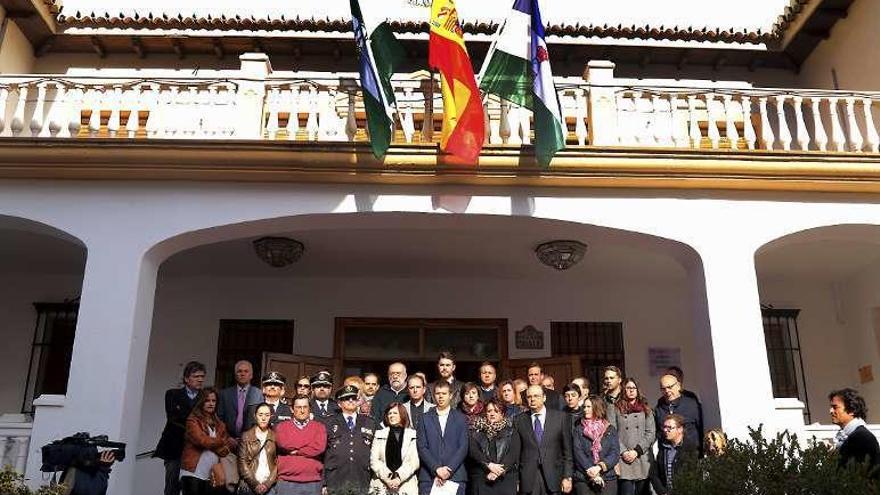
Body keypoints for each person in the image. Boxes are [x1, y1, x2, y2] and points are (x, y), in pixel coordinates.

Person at [155, 360, 206, 495]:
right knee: (172, 486)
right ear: (186, 379)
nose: (200, 380)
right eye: (196, 377)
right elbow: (173, 418)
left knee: (193, 487)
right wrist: (195, 427)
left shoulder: (206, 397)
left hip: (196, 450)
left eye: (202, 377)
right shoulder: (172, 394)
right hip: (174, 448)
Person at [516, 384, 573, 495]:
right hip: (529, 478)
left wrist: (567, 476)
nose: (532, 399)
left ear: (544, 397)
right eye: (529, 397)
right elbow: (517, 453)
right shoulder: (519, 420)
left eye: (536, 396)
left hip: (554, 476)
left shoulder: (560, 418)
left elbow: (567, 451)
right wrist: (517, 480)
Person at [323, 385, 378, 494]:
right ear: (339, 403)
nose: (351, 400)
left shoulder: (369, 422)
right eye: (347, 398)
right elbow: (323, 453)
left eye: (354, 398)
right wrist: (324, 482)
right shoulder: (329, 422)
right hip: (336, 478)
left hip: (361, 478)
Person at [417, 380, 469, 495]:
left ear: (450, 395)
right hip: (429, 477)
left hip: (455, 476)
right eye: (437, 393)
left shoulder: (461, 418)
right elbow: (422, 447)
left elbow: (463, 447)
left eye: (444, 393)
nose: (440, 396)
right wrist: (436, 469)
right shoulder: (424, 418)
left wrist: (449, 469)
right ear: (434, 395)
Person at [180, 387, 234, 495]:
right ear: (201, 402)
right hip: (193, 473)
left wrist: (222, 442)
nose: (211, 403)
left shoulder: (220, 424)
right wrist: (222, 441)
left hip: (212, 475)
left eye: (213, 401)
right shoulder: (192, 420)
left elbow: (226, 449)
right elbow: (202, 440)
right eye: (207, 400)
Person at [275, 395, 327, 495]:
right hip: (287, 482)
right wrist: (309, 445)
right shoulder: (282, 427)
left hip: (313, 482)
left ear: (309, 408)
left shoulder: (319, 427)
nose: (302, 410)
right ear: (292, 409)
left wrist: (297, 451)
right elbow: (284, 444)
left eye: (305, 407)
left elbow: (319, 447)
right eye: (298, 407)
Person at [468, 398, 521, 495]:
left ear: (503, 413)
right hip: (482, 478)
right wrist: (489, 465)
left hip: (505, 480)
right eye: (489, 411)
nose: (492, 414)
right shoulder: (475, 431)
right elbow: (473, 452)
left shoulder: (512, 432)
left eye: (496, 411)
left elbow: (513, 453)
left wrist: (497, 471)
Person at [572, 397, 619, 495]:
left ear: (597, 407)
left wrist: (599, 467)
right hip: (584, 478)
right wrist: (592, 472)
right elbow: (578, 452)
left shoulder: (610, 429)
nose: (585, 409)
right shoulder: (578, 429)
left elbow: (614, 453)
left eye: (589, 407)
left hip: (607, 477)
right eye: (584, 407)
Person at [615, 378, 654, 495]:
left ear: (637, 390)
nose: (631, 391)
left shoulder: (646, 408)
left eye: (633, 388)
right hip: (623, 459)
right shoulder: (616, 408)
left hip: (642, 457)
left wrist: (636, 451)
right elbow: (612, 433)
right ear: (623, 390)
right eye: (628, 388)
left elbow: (651, 433)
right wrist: (624, 452)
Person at [371, 402, 420, 495]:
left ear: (402, 414)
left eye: (395, 413)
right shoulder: (379, 434)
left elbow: (414, 462)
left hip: (406, 484)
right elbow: (374, 460)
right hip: (382, 484)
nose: (391, 416)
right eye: (389, 413)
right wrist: (387, 477)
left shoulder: (412, 435)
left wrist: (399, 478)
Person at [829, 388, 880, 472]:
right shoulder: (852, 435)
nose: (831, 411)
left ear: (851, 410)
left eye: (835, 407)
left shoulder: (861, 437)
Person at [654, 373, 702, 455]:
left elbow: (700, 428)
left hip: (690, 454)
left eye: (670, 387)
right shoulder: (659, 407)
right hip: (667, 454)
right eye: (663, 388)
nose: (667, 391)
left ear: (678, 385)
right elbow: (657, 432)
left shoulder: (691, 404)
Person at [648, 414, 696, 495]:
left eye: (669, 428)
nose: (665, 430)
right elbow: (654, 473)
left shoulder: (690, 448)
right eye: (664, 427)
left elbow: (693, 475)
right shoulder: (663, 448)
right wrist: (662, 492)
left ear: (680, 429)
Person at [238, 403, 278, 495]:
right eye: (260, 415)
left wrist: (267, 484)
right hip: (249, 485)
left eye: (267, 415)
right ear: (255, 416)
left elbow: (277, 463)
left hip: (269, 486)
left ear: (271, 416)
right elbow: (242, 463)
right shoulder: (246, 436)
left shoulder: (275, 436)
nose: (263, 418)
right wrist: (255, 484)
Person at [218, 360, 264, 440]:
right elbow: (219, 418)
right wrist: (226, 437)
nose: (242, 374)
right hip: (227, 439)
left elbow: (260, 419)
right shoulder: (224, 394)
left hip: (250, 440)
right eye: (239, 371)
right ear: (235, 375)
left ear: (251, 375)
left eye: (246, 371)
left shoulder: (258, 394)